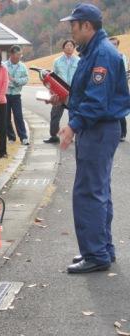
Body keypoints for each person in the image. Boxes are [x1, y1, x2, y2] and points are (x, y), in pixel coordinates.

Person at [52, 3, 130, 274]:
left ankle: (96, 253)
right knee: (99, 190)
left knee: (89, 192)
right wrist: (65, 98)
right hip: (97, 128)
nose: (71, 31)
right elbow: (86, 93)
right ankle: (102, 248)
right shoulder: (93, 51)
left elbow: (97, 101)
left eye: (74, 25)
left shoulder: (102, 54)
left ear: (87, 25)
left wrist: (73, 125)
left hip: (98, 129)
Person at [43, 40, 79, 144]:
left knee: (73, 115)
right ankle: (54, 136)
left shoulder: (79, 60)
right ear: (63, 48)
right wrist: (52, 91)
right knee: (55, 114)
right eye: (67, 46)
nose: (69, 47)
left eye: (71, 46)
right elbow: (52, 77)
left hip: (73, 92)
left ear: (74, 48)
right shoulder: (57, 61)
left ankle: (70, 135)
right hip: (59, 92)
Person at [5, 45, 29, 145]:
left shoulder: (22, 66)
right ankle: (11, 137)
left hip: (16, 95)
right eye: (18, 54)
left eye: (20, 54)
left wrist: (15, 81)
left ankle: (23, 137)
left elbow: (26, 79)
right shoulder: (4, 65)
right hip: (5, 95)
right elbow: (3, 80)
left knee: (18, 116)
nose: (20, 56)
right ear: (11, 54)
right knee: (6, 117)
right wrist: (10, 83)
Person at [109, 37, 129, 142]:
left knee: (120, 110)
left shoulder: (121, 56)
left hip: (119, 87)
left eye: (115, 44)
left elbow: (123, 71)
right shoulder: (106, 56)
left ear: (117, 45)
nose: (113, 45)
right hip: (108, 87)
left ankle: (122, 133)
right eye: (111, 43)